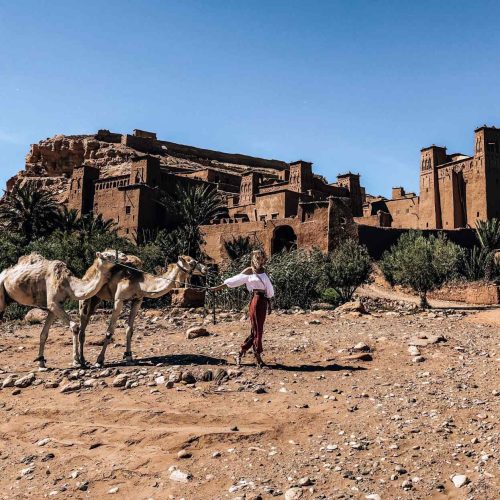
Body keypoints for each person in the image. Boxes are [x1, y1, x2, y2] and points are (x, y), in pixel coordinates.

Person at [209, 249, 274, 367]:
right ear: (254, 259)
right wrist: (216, 288)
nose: (261, 260)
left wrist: (269, 304)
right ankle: (258, 356)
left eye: (262, 258)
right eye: (258, 258)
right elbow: (233, 281)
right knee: (258, 330)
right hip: (255, 301)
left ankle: (241, 353)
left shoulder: (264, 271)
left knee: (256, 330)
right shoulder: (249, 271)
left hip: (263, 302)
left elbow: (268, 288)